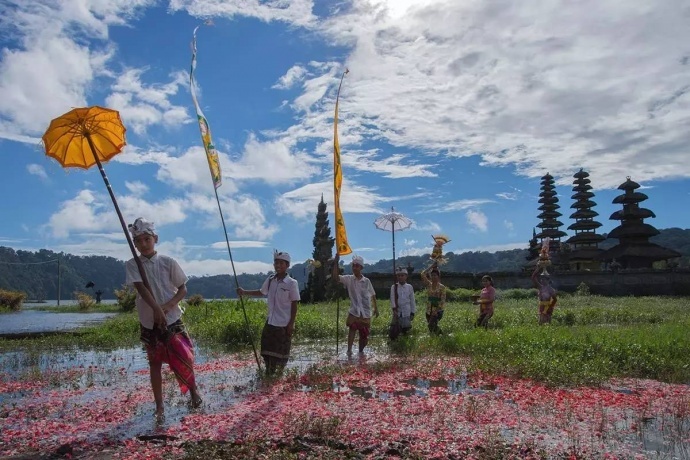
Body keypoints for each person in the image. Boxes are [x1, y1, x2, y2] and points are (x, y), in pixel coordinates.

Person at [125, 218, 202, 419]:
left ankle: (193, 392)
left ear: (155, 239)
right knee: (155, 363)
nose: (143, 244)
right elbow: (141, 288)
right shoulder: (132, 264)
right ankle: (159, 406)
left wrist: (167, 306)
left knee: (184, 357)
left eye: (147, 239)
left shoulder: (168, 262)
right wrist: (157, 310)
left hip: (173, 317)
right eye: (139, 241)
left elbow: (183, 288)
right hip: (149, 321)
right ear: (135, 244)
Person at [237, 250, 300, 376]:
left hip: (283, 323)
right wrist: (244, 292)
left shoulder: (292, 283)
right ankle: (268, 372)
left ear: (287, 265)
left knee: (282, 351)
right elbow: (262, 292)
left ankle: (279, 374)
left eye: (281, 263)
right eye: (276, 263)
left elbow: (294, 303)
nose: (278, 265)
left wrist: (291, 323)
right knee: (267, 349)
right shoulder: (271, 280)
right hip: (271, 321)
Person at [332, 254, 378, 356]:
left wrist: (376, 308)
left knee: (364, 334)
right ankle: (349, 350)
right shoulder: (349, 279)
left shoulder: (366, 281)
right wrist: (336, 262)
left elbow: (372, 294)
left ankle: (361, 351)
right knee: (352, 328)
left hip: (365, 311)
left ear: (361, 268)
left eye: (357, 266)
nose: (354, 268)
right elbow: (335, 278)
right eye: (353, 265)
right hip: (354, 310)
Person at [389, 267, 416, 340]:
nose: (400, 277)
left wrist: (413, 312)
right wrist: (394, 309)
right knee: (394, 331)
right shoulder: (394, 287)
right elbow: (392, 299)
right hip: (397, 311)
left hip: (407, 311)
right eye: (398, 275)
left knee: (406, 330)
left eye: (402, 275)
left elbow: (412, 300)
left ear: (406, 276)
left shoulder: (409, 287)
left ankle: (404, 344)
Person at [420, 262, 446, 335]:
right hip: (429, 308)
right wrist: (431, 266)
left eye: (435, 275)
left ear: (438, 276)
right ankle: (437, 338)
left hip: (437, 309)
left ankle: (441, 335)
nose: (433, 277)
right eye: (432, 275)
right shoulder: (429, 285)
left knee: (431, 324)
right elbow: (422, 274)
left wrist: (436, 310)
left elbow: (442, 300)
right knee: (431, 326)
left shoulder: (442, 287)